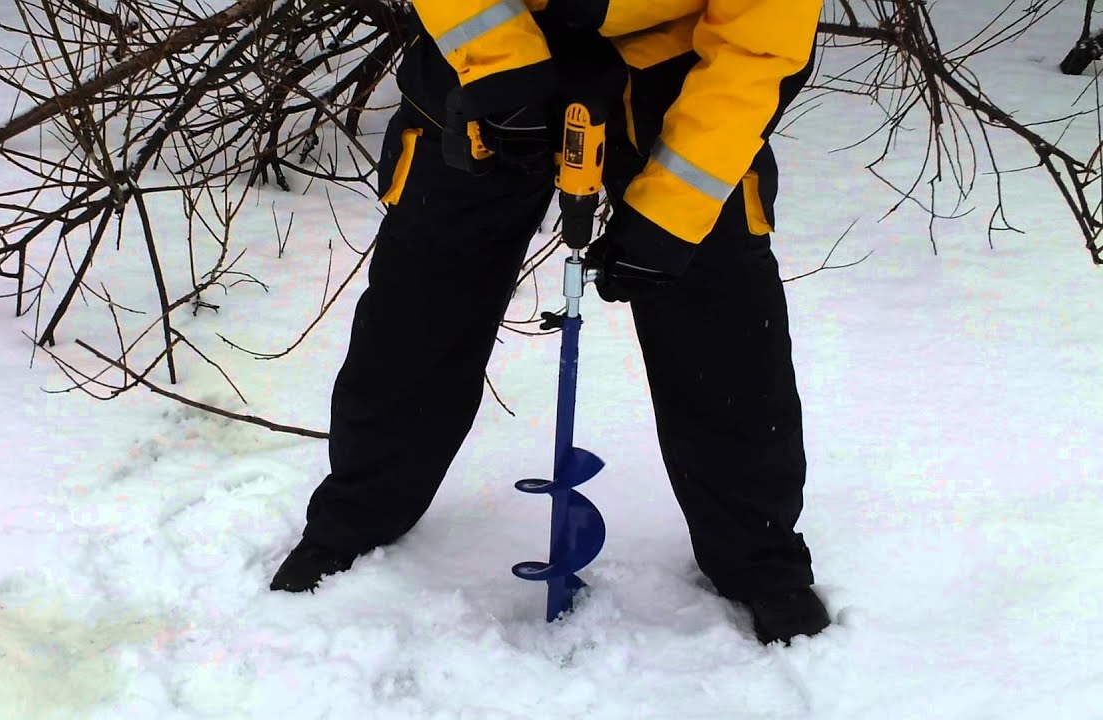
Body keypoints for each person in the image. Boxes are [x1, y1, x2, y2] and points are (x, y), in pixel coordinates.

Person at [270, 0, 831, 646]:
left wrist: (674, 213)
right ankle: (356, 516)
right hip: (482, 46)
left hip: (680, 75)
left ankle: (759, 557)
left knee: (722, 318)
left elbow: (761, 43)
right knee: (419, 307)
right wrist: (502, 68)